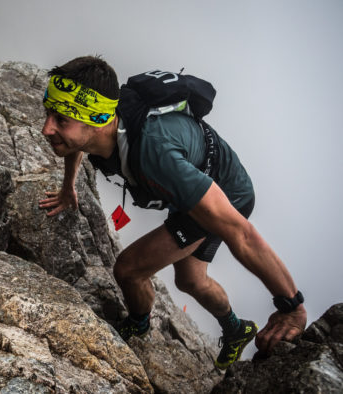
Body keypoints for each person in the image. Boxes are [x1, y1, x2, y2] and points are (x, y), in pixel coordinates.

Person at [38, 56, 307, 369]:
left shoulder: (154, 153)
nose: (46, 128)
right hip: (195, 179)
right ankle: (236, 328)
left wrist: (291, 305)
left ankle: (138, 324)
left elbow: (241, 234)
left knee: (128, 270)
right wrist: (68, 186)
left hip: (225, 193)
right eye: (49, 114)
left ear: (97, 120)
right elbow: (77, 143)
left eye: (61, 120)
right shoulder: (103, 119)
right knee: (191, 280)